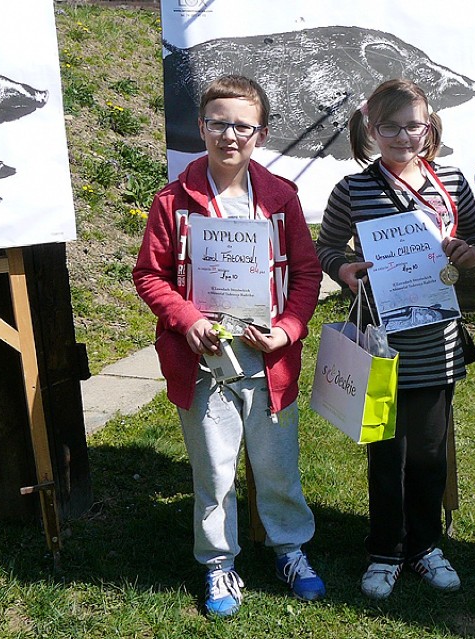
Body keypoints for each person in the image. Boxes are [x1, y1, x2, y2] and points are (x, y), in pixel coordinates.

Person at [133, 75, 325, 617]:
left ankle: (290, 549)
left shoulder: (280, 198)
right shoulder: (173, 200)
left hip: (268, 359)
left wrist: (288, 329)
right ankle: (219, 562)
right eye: (219, 123)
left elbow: (307, 275)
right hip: (204, 359)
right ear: (202, 128)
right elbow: (151, 275)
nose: (230, 135)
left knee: (278, 466)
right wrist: (186, 318)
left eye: (243, 125)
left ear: (260, 134)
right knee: (214, 471)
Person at [315, 79, 475, 600]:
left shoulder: (453, 181)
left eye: (413, 125)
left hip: (437, 339)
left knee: (431, 453)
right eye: (391, 127)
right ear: (372, 129)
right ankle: (385, 550)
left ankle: (426, 547)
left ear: (429, 125)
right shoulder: (352, 189)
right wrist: (345, 269)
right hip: (379, 341)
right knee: (385, 453)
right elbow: (326, 247)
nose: (403, 136)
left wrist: (469, 253)